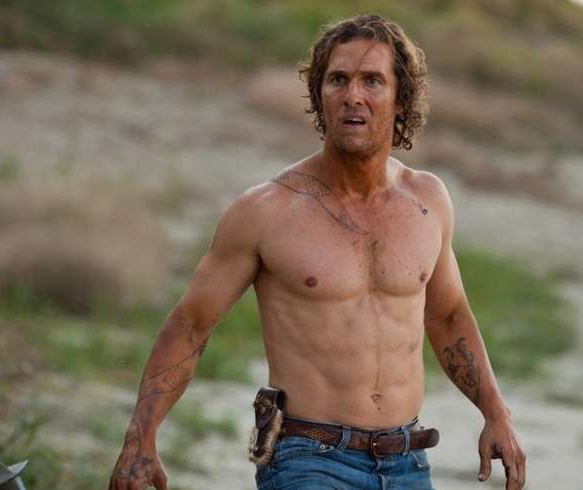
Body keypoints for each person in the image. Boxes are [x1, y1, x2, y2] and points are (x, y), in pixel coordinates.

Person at [109, 13, 526, 490]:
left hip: (406, 459)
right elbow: (190, 325)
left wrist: (496, 413)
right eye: (338, 80)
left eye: (372, 81)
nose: (353, 95)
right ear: (319, 95)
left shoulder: (427, 201)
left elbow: (449, 317)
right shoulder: (266, 210)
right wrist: (141, 438)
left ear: (401, 98)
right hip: (307, 458)